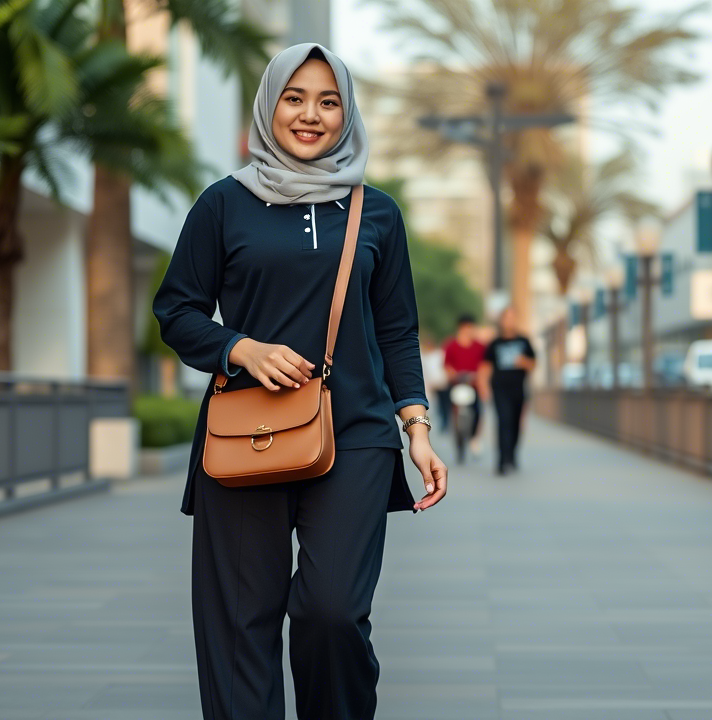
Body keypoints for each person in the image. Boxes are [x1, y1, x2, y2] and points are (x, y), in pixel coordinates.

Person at [152, 43, 447, 720]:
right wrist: (241, 348)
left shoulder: (377, 213)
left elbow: (397, 331)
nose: (310, 115)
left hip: (356, 436)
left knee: (332, 613)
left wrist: (417, 429)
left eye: (328, 101)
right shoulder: (223, 205)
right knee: (240, 625)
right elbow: (177, 311)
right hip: (245, 432)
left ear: (347, 113)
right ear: (269, 105)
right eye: (294, 98)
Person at [479, 306, 537, 474]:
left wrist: (524, 362)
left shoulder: (524, 341)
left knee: (515, 424)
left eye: (512, 317)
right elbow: (485, 367)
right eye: (506, 318)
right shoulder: (495, 343)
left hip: (518, 389)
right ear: (501, 320)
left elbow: (533, 364)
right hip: (500, 389)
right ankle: (502, 461)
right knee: (503, 421)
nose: (509, 321)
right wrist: (483, 387)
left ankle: (512, 455)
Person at [442, 313, 486, 455]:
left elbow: (484, 366)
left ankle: (474, 437)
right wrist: (453, 375)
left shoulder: (479, 346)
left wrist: (480, 380)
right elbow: (447, 365)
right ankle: (458, 436)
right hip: (457, 384)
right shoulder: (451, 345)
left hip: (474, 385)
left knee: (478, 411)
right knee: (454, 411)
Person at [420, 337, 450, 431]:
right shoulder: (424, 357)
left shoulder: (440, 354)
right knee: (433, 405)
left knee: (444, 404)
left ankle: (445, 422)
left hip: (442, 383)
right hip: (430, 385)